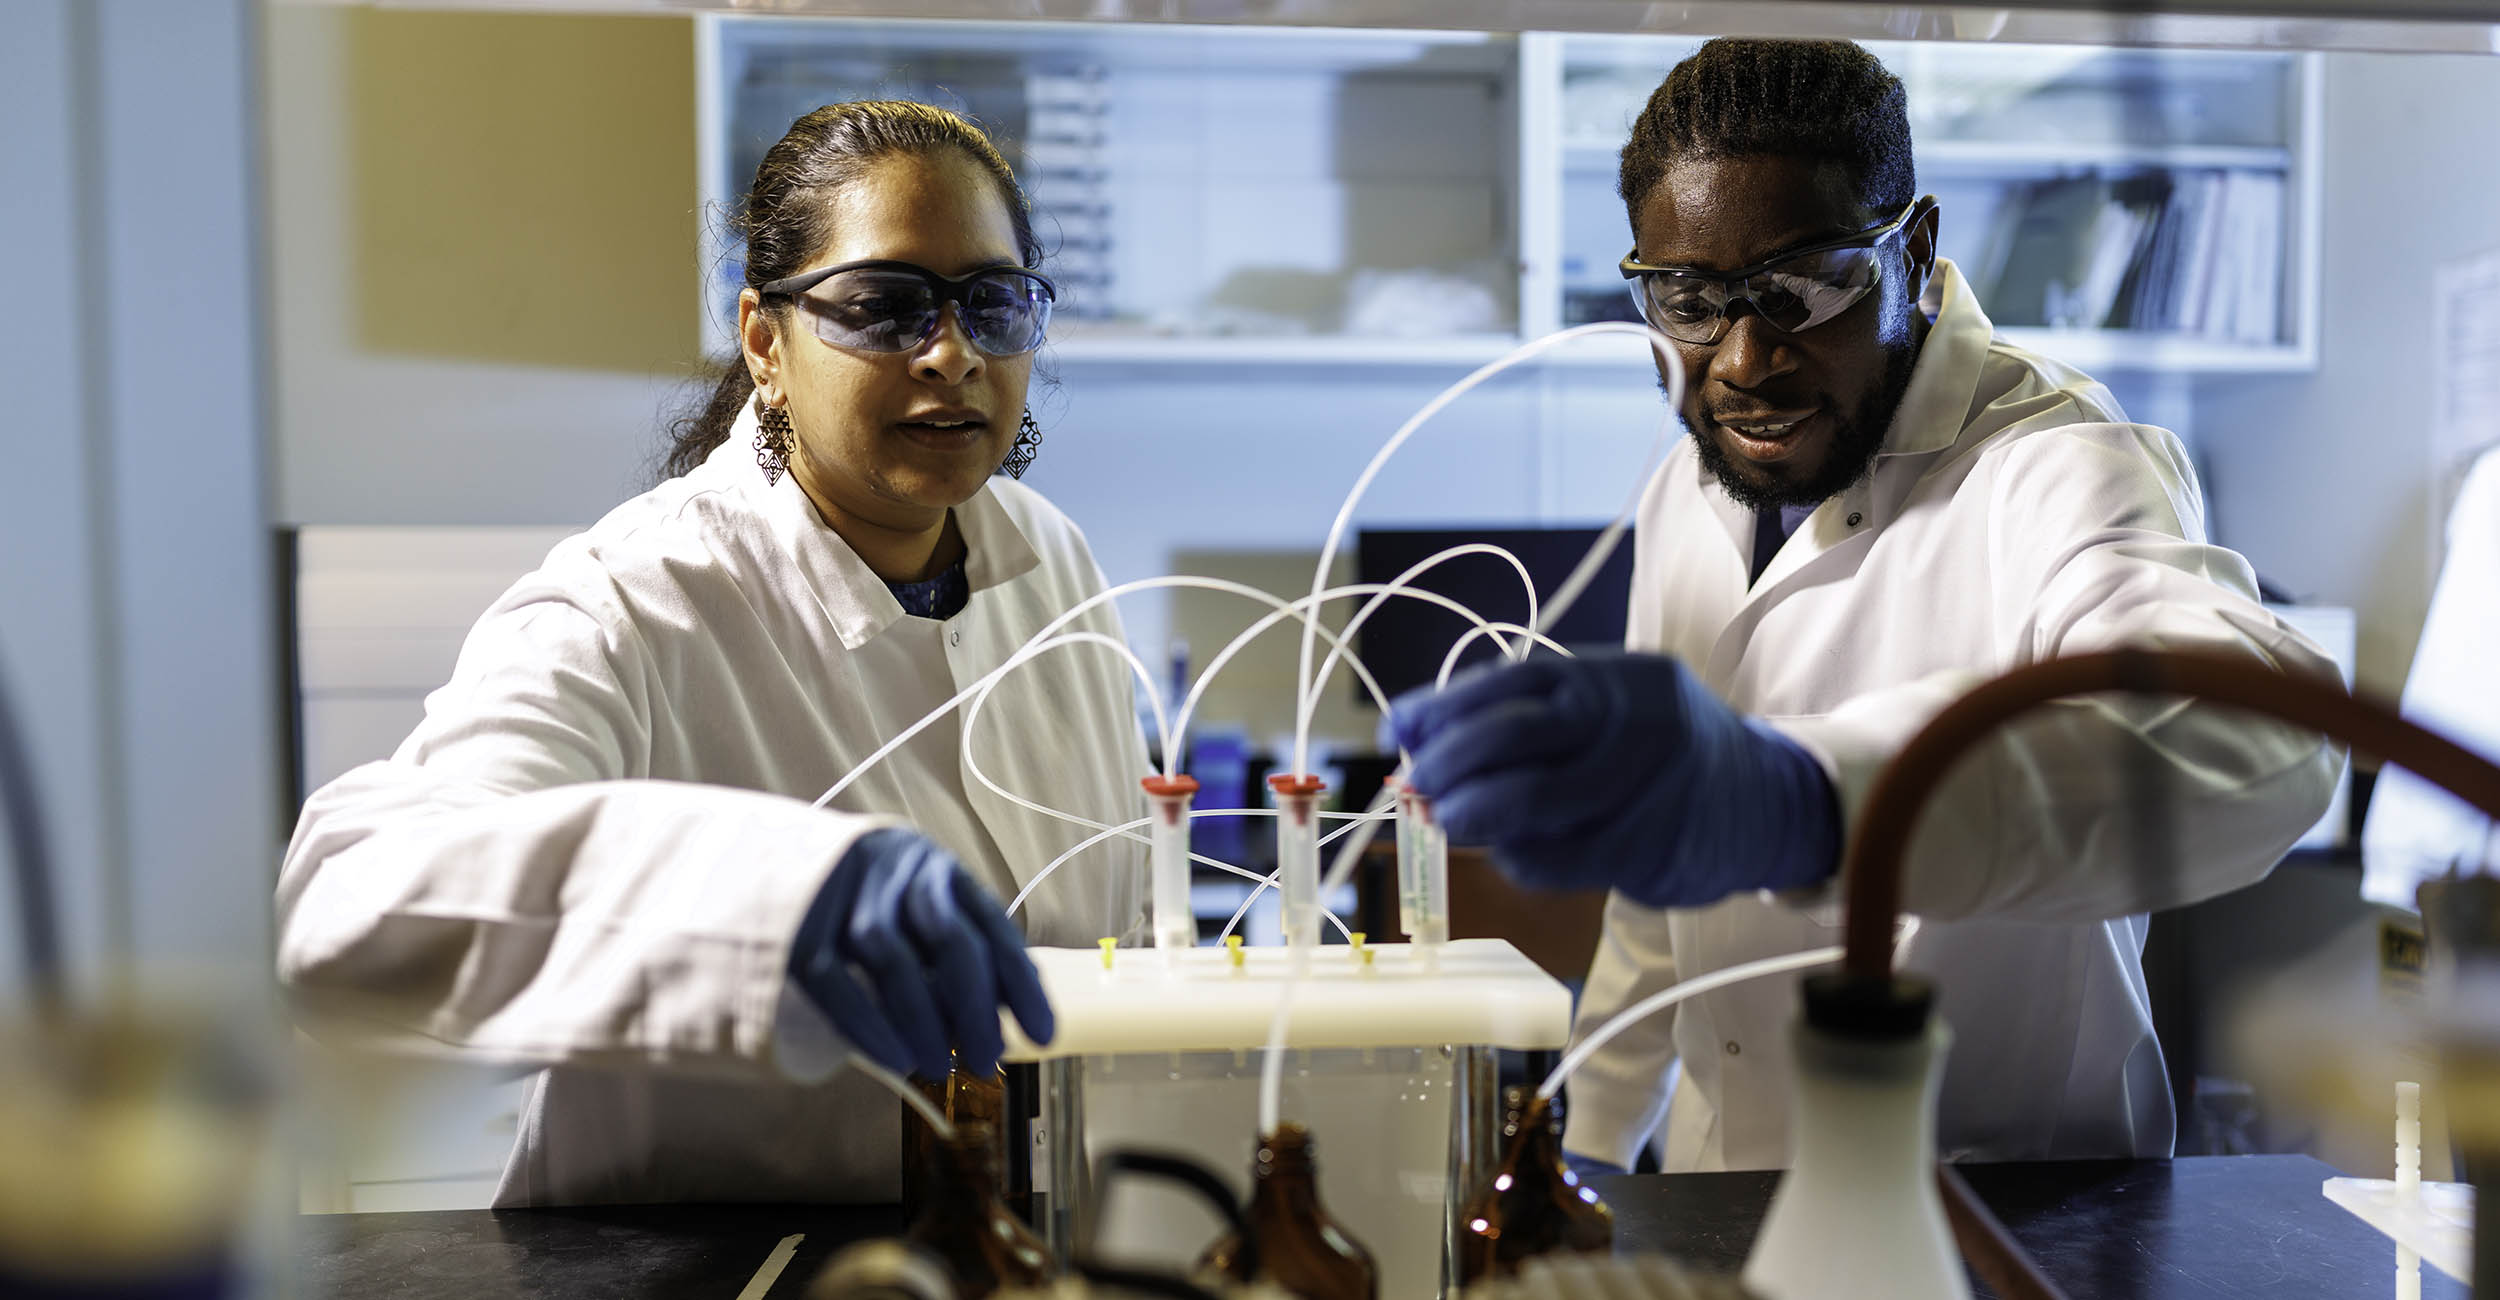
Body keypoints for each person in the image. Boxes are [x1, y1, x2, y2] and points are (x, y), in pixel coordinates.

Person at [1386, 39, 2343, 1175]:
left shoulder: (2060, 461)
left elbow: (2262, 737)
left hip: (2007, 1205)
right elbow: (1659, 906)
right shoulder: (1692, 481)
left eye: (1804, 288)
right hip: (1719, 1196)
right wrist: (1590, 1149)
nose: (1744, 360)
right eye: (1688, 301)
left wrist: (1805, 796)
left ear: (1915, 249)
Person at [275, 102, 1148, 1206]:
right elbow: (347, 908)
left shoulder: (1051, 559)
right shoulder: (633, 600)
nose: (950, 353)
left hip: (1001, 1244)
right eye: (884, 307)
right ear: (765, 344)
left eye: (993, 303)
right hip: (696, 1259)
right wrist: (779, 895)